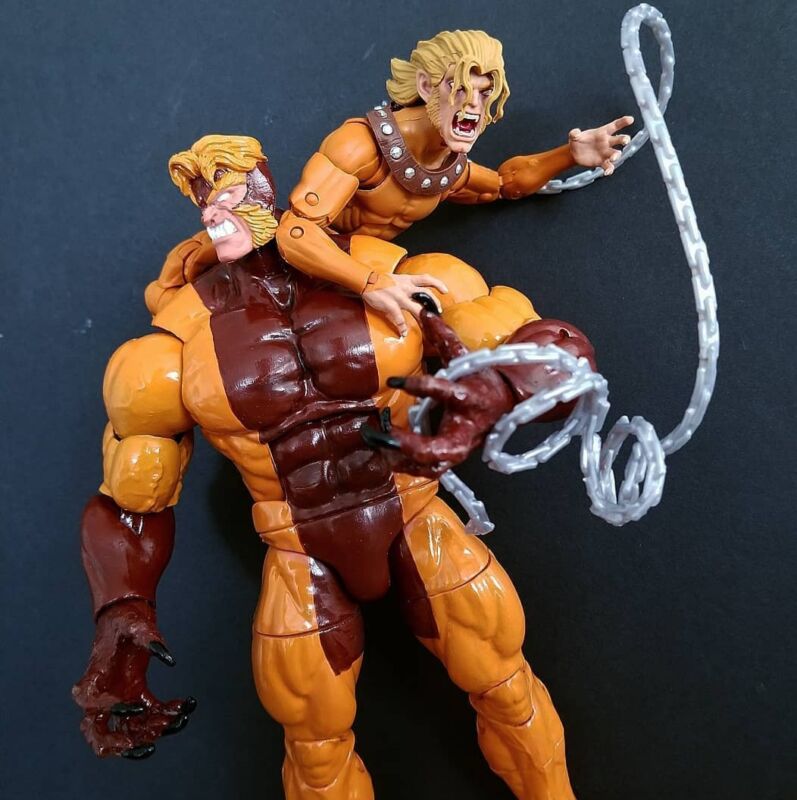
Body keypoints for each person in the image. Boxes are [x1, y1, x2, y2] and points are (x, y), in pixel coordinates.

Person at [73, 134, 597, 800]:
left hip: (413, 511)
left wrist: (499, 386)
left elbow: (558, 356)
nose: (212, 209)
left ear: (267, 188)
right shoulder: (173, 344)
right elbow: (132, 498)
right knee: (315, 752)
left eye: (227, 190)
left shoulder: (398, 273)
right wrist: (119, 612)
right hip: (299, 547)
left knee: (508, 690)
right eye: (203, 197)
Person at [276, 29, 633, 335]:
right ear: (426, 86)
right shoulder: (360, 146)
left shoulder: (451, 169)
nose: (473, 105)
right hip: (299, 268)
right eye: (459, 88)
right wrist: (369, 281)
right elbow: (295, 231)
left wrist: (568, 155)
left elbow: (504, 184)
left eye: (484, 92)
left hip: (364, 278)